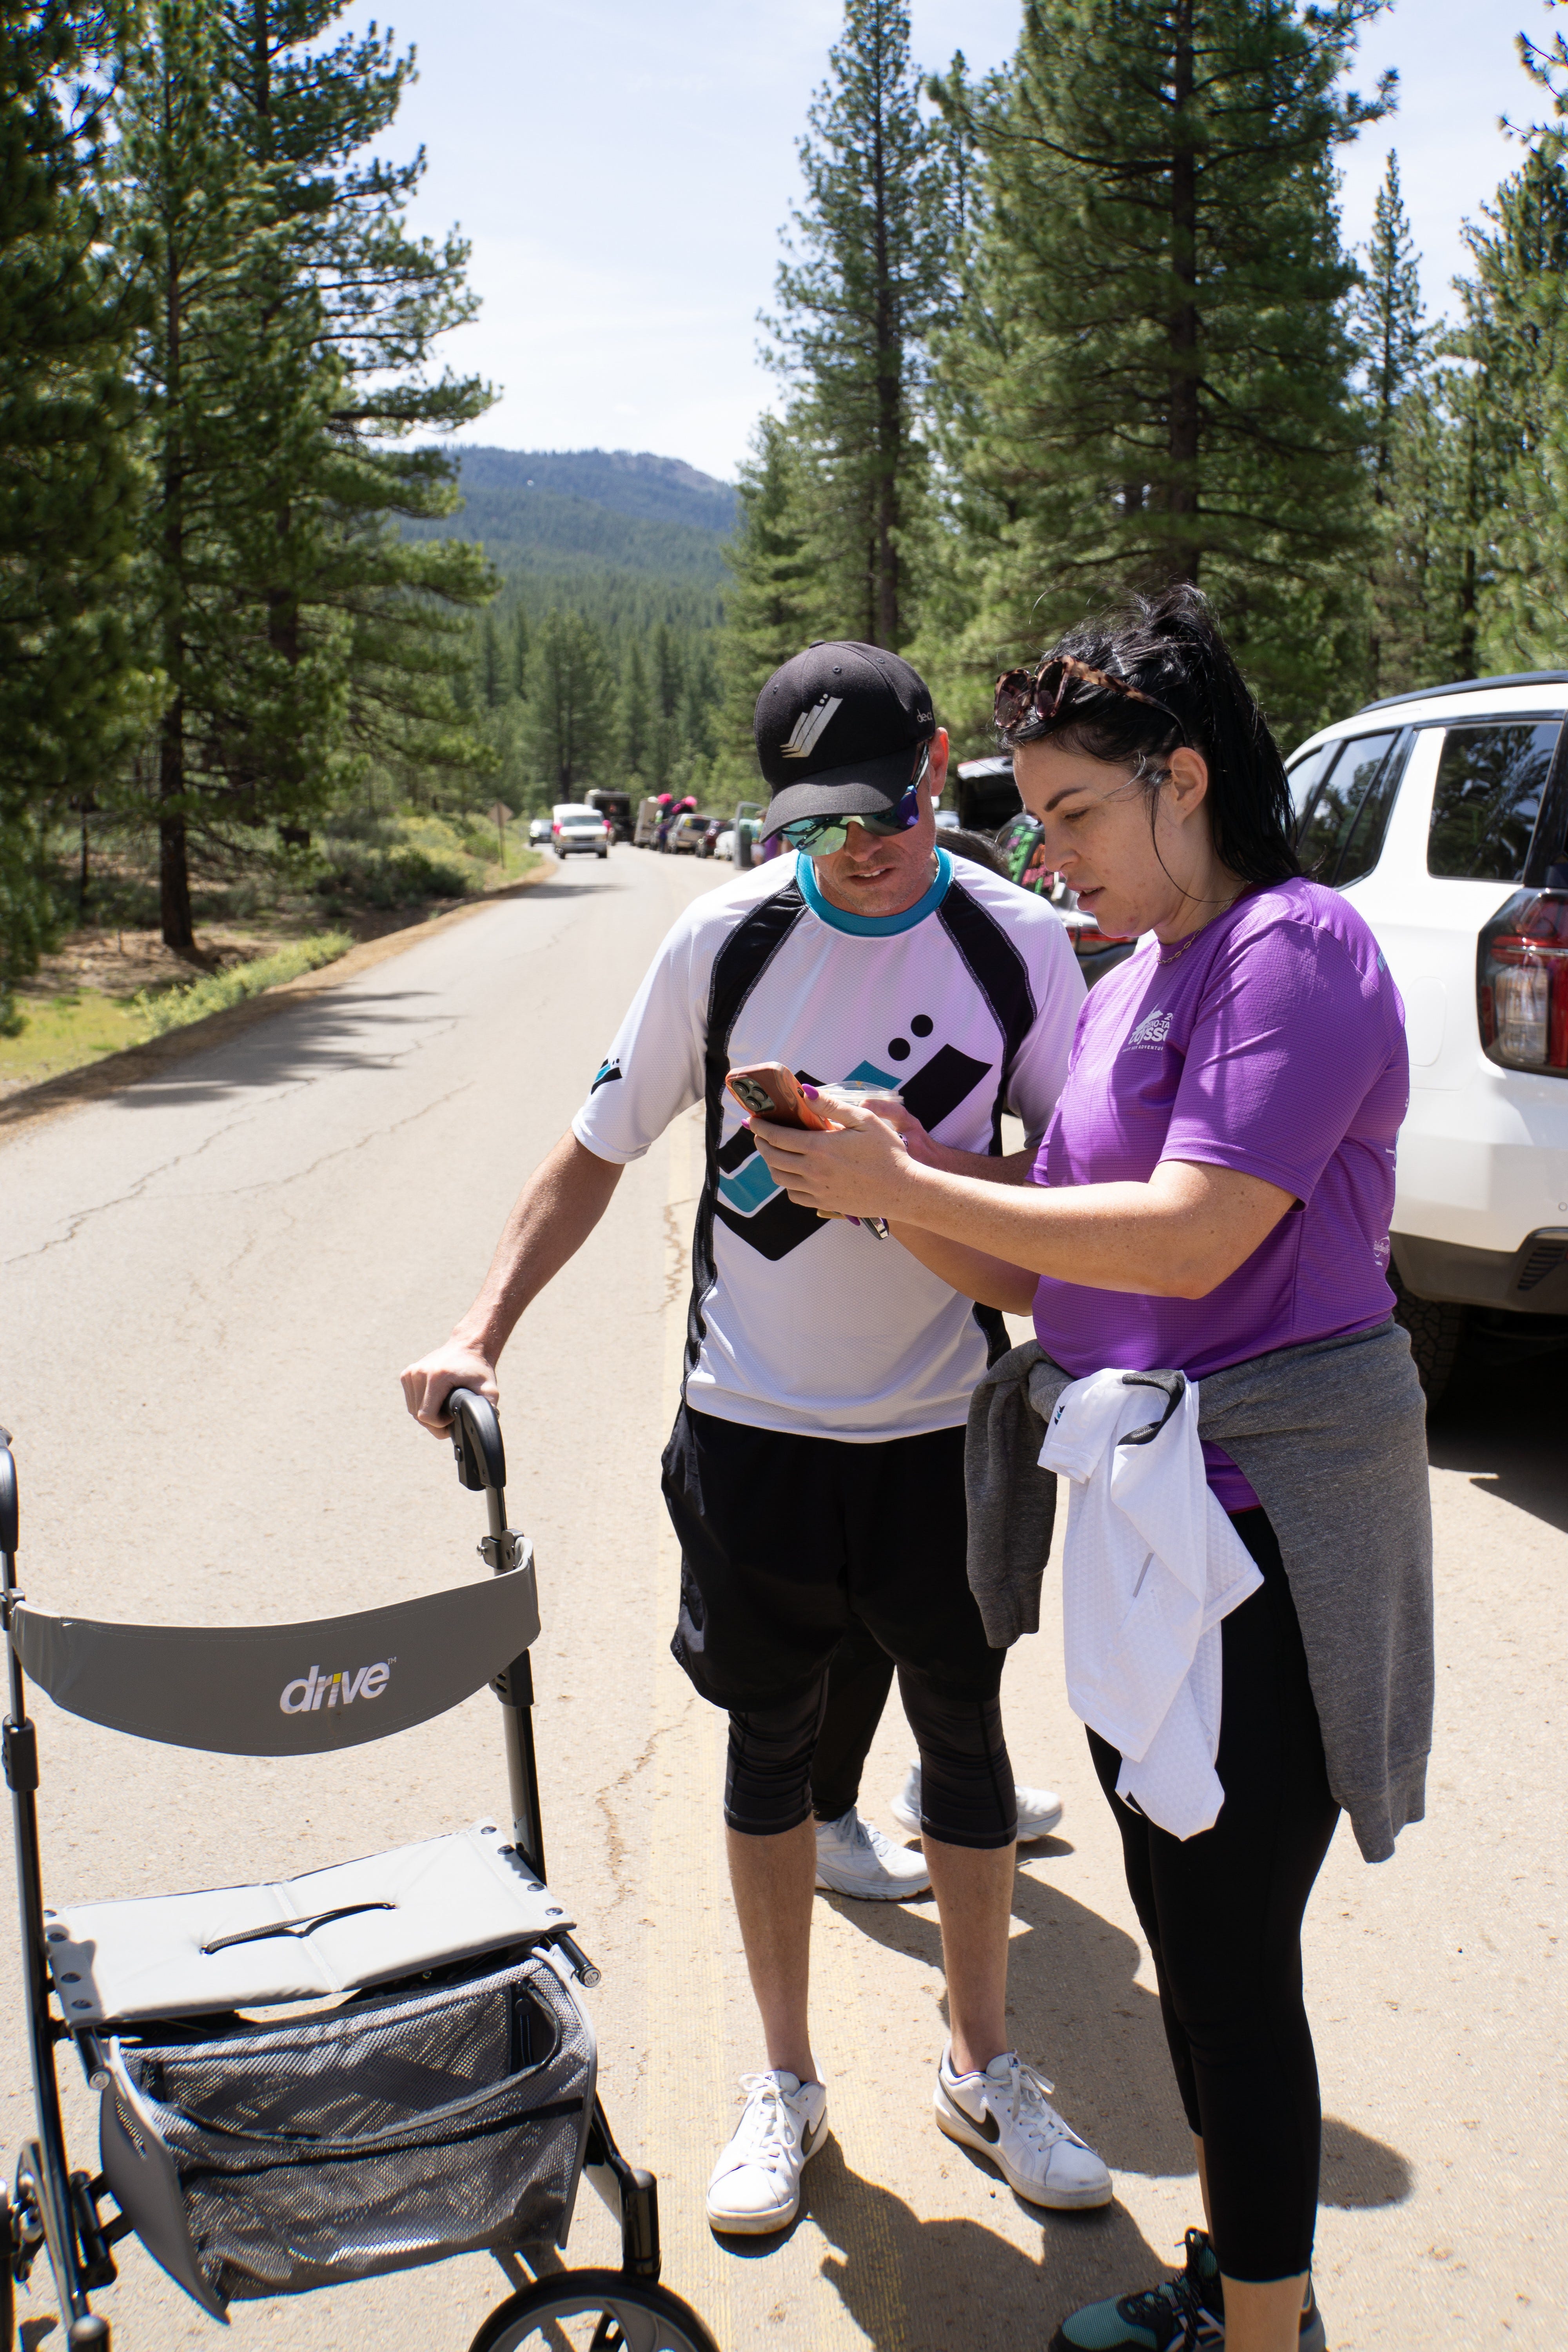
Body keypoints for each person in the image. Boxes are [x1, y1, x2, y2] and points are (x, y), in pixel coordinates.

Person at [748, 588, 1433, 2352]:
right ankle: (1243, 2279)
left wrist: (922, 1192)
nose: (1047, 861)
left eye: (1072, 814)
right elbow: (1053, 1261)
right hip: (1157, 1526)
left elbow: (1192, 1239)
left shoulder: (1296, 948)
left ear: (1182, 778)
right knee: (1181, 1925)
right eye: (1032, 819)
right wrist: (892, 1178)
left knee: (1223, 1951)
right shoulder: (1139, 980)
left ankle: (1263, 2337)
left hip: (1269, 1526)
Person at [400, 639, 1109, 2241]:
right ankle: (781, 2081)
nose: (853, 842)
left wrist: (916, 1173)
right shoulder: (722, 940)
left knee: (970, 1749)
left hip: (945, 1426)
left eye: (878, 804)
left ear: (934, 768)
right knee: (768, 1747)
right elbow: (593, 1152)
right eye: (817, 813)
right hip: (752, 1431)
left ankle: (981, 2061)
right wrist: (478, 1329)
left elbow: (1078, 1188)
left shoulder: (1013, 944)